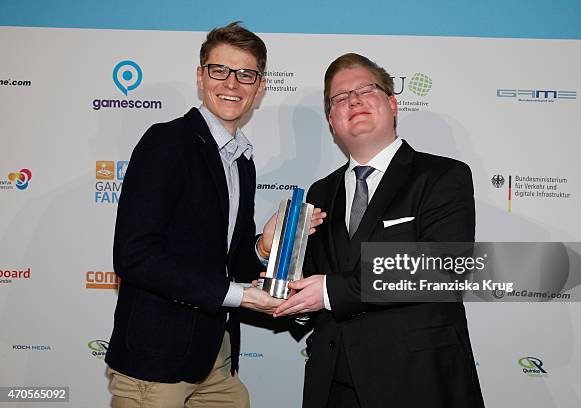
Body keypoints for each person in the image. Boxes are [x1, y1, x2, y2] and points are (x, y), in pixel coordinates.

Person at [105, 22, 323, 408]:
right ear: (201, 77)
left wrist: (262, 245)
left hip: (215, 357)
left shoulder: (242, 163)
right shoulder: (167, 142)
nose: (232, 83)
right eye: (219, 70)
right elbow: (134, 257)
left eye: (246, 74)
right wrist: (241, 297)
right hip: (155, 362)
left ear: (260, 87)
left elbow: (229, 259)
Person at [274, 53, 485, 408]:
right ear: (332, 120)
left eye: (365, 90)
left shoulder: (442, 176)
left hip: (417, 381)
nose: (353, 100)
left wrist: (329, 292)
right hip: (333, 383)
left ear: (392, 104)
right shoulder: (319, 192)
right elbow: (310, 278)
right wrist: (291, 296)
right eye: (339, 98)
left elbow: (442, 267)